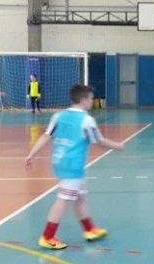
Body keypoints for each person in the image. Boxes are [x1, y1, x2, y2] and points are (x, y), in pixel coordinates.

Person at [25, 84, 125, 250]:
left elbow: (46, 136)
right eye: (91, 98)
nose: (92, 101)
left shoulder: (58, 116)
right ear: (84, 100)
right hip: (72, 166)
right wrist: (118, 146)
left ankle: (89, 229)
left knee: (79, 196)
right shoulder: (86, 120)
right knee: (63, 199)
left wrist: (32, 154)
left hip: (58, 161)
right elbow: (99, 141)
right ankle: (47, 236)